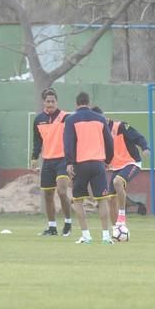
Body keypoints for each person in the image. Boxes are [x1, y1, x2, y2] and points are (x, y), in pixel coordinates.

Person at [63, 92, 114, 245]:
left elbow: (68, 142)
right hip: (98, 163)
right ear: (88, 102)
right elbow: (109, 141)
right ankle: (106, 236)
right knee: (102, 200)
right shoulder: (100, 119)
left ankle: (86, 236)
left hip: (81, 164)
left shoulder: (71, 120)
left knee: (78, 200)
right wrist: (107, 160)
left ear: (77, 103)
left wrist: (69, 162)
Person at [91, 106, 150, 227]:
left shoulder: (121, 126)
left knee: (117, 182)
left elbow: (138, 137)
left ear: (104, 117)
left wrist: (145, 148)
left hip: (131, 163)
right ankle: (117, 230)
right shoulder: (99, 134)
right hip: (116, 168)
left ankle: (122, 215)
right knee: (111, 200)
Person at [31, 88, 73, 237]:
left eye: (53, 101)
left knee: (62, 191)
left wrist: (72, 159)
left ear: (57, 102)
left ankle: (68, 222)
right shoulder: (38, 119)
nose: (50, 104)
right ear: (44, 102)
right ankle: (52, 227)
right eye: (48, 101)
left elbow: (74, 138)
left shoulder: (66, 117)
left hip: (63, 160)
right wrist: (34, 158)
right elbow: (37, 141)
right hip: (47, 161)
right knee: (48, 195)